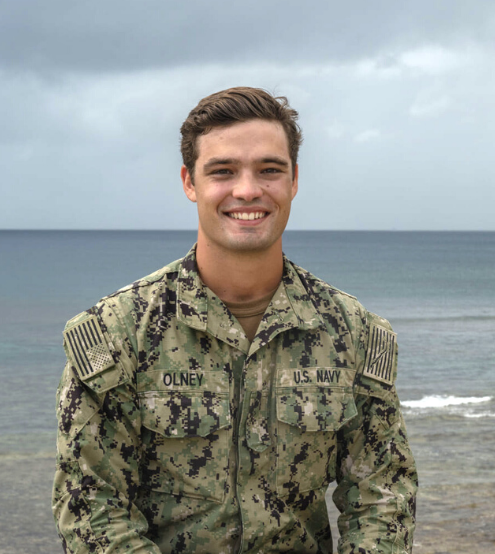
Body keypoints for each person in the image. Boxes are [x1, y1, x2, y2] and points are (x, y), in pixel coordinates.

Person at [52, 87, 417, 553]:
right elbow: (90, 505)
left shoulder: (353, 333)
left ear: (294, 181)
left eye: (269, 170)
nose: (248, 190)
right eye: (223, 171)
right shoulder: (117, 333)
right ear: (190, 183)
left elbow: (383, 495)